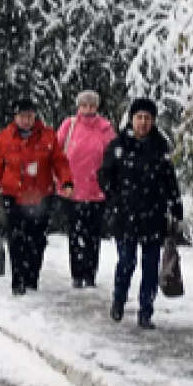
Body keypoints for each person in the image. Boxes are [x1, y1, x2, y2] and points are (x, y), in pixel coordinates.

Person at [98, 98, 184, 329]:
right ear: (132, 119)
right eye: (139, 117)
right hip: (125, 215)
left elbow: (170, 181)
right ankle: (119, 299)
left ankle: (146, 311)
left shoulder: (160, 147)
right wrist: (114, 199)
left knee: (150, 266)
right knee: (126, 262)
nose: (143, 123)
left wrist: (176, 208)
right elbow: (105, 176)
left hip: (153, 216)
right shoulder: (118, 146)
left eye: (147, 118)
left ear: (153, 120)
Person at [0, 99, 73, 296]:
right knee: (16, 241)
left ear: (35, 117)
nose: (26, 120)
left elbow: (60, 162)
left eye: (29, 116)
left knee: (37, 241)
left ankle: (32, 278)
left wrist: (66, 181)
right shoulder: (5, 137)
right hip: (13, 197)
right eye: (22, 116)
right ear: (15, 117)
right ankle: (19, 282)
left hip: (41, 197)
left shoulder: (47, 136)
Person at [58, 91, 116, 289]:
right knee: (75, 233)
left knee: (93, 234)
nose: (88, 109)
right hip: (72, 190)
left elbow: (113, 156)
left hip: (97, 191)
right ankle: (77, 273)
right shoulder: (69, 125)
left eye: (92, 105)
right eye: (85, 105)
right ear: (79, 107)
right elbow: (57, 152)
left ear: (97, 107)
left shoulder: (105, 128)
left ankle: (90, 273)